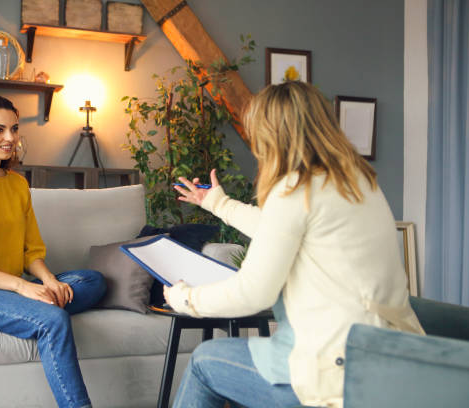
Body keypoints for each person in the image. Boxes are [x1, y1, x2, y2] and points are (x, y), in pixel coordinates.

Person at [165, 81, 425, 408]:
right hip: (385, 356)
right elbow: (278, 228)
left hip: (340, 371)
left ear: (272, 135)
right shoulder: (356, 181)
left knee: (205, 361)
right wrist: (218, 204)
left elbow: (253, 293)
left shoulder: (295, 188)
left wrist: (184, 297)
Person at [0, 95, 106, 408]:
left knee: (92, 280)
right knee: (53, 320)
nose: (10, 138)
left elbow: (31, 251)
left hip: (11, 291)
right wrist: (23, 287)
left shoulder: (17, 184)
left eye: (14, 129)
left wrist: (48, 280)